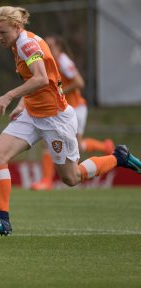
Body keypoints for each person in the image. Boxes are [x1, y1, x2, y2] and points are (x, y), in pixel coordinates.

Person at [0, 6, 141, 236]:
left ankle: (118, 158)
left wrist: (9, 95)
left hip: (55, 119)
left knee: (71, 178)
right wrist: (23, 104)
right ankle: (2, 220)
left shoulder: (27, 44)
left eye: (2, 32)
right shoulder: (18, 44)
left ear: (17, 27)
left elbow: (42, 78)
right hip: (33, 115)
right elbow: (37, 80)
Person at [30, 35, 114, 190]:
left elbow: (79, 82)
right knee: (47, 142)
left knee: (78, 146)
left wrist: (58, 91)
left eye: (50, 45)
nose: (45, 47)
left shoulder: (63, 60)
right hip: (64, 108)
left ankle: (105, 148)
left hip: (76, 108)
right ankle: (47, 181)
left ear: (59, 47)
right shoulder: (49, 62)